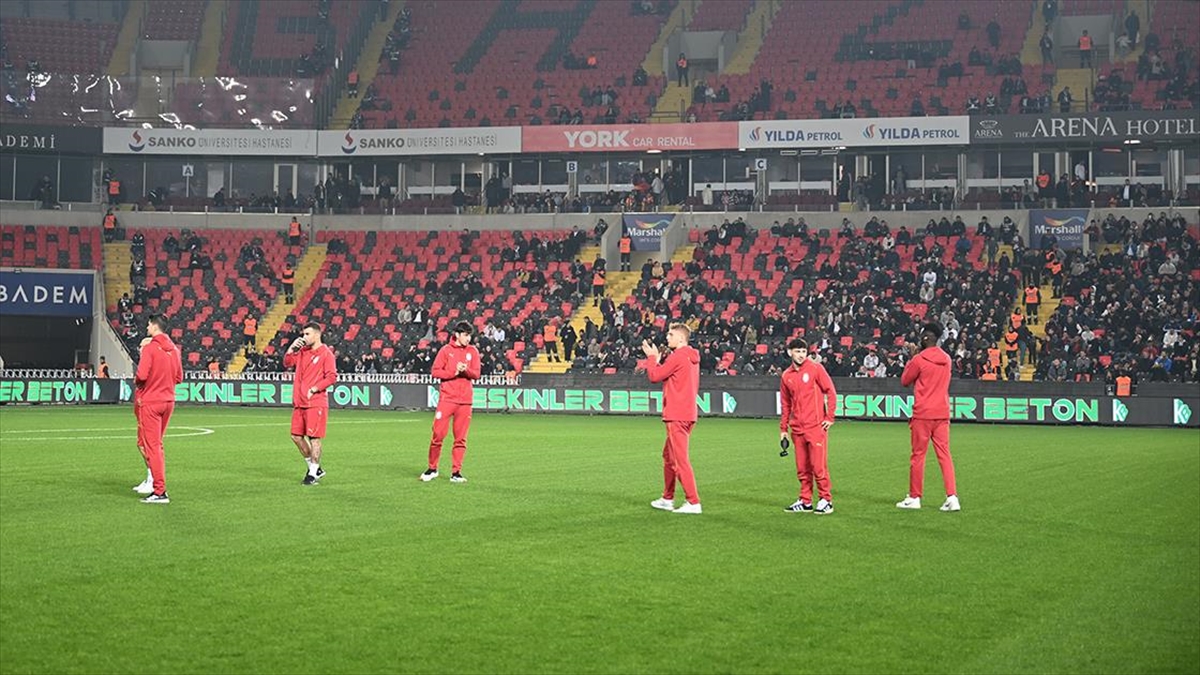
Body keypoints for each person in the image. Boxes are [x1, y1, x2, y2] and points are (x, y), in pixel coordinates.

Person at [897, 322, 960, 512]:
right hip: (942, 412)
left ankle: (915, 497)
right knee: (945, 455)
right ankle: (952, 497)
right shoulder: (947, 359)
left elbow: (905, 380)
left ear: (924, 338)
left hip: (923, 413)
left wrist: (913, 357)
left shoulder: (919, 359)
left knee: (918, 456)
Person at [644, 323, 702, 514]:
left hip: (677, 414)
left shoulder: (678, 356)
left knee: (679, 460)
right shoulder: (690, 356)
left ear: (681, 339)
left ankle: (693, 501)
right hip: (687, 413)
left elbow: (654, 376)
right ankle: (667, 498)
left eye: (670, 334)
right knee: (669, 456)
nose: (667, 337)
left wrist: (652, 358)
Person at [779, 339, 836, 514]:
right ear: (790, 353)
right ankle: (805, 501)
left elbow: (830, 391)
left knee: (818, 467)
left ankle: (826, 500)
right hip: (797, 429)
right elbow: (785, 404)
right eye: (797, 351)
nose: (801, 355)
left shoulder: (816, 369)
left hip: (815, 428)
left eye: (803, 351)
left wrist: (830, 417)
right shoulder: (786, 376)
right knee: (802, 468)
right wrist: (783, 429)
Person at [422, 321, 481, 483]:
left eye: (470, 335)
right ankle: (432, 468)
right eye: (466, 335)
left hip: (465, 402)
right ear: (457, 334)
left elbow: (476, 374)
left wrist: (465, 370)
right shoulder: (446, 351)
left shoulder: (473, 351)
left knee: (460, 438)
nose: (468, 339)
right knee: (438, 434)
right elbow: (435, 372)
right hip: (447, 399)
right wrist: (454, 372)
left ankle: (456, 472)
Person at [132, 315, 183, 504]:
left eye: (148, 323)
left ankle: (159, 490)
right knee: (157, 445)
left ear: (154, 326)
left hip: (152, 402)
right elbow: (179, 378)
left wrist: (141, 383)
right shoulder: (174, 350)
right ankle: (155, 485)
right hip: (168, 401)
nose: (146, 326)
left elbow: (142, 375)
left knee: (151, 446)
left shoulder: (150, 348)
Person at [283, 322, 337, 485]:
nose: (304, 337)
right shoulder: (302, 352)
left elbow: (332, 376)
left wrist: (315, 388)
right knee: (296, 437)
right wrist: (291, 349)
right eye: (303, 334)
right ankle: (315, 468)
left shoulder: (326, 354)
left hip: (316, 402)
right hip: (299, 402)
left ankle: (312, 474)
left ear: (317, 335)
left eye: (307, 334)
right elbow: (287, 363)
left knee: (314, 438)